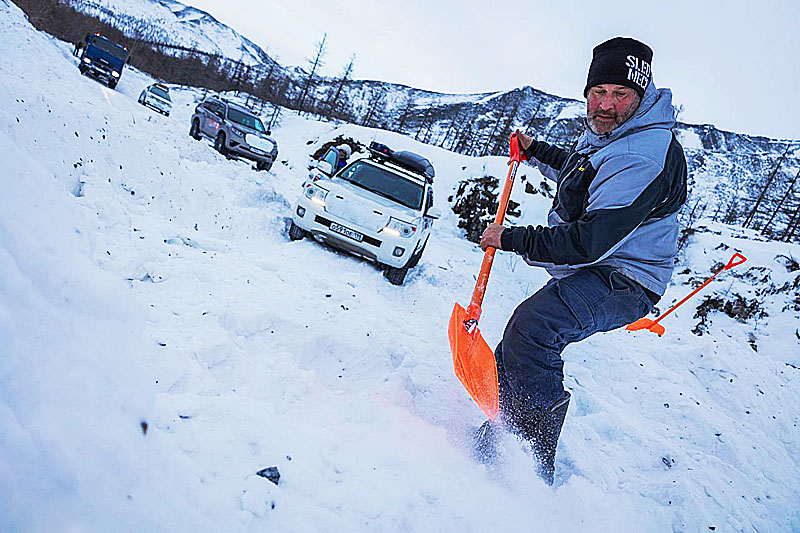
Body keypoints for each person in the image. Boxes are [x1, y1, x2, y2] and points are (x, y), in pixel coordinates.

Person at [475, 37, 687, 485]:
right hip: (602, 264)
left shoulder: (642, 154)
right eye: (598, 93)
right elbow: (580, 170)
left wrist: (510, 237)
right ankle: (501, 435)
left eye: (620, 94)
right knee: (517, 343)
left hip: (626, 278)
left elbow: (588, 242)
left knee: (533, 331)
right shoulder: (618, 133)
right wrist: (535, 150)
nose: (605, 104)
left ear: (641, 95)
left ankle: (530, 463)